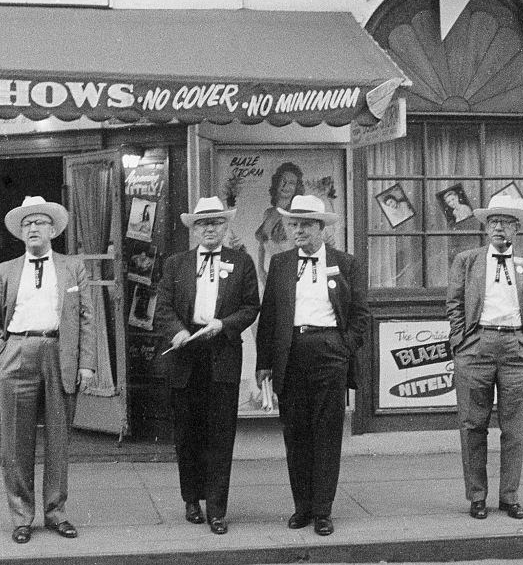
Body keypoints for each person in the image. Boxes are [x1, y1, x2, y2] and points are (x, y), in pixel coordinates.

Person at [0, 196, 96, 545]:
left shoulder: (73, 267)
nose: (33, 228)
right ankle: (21, 516)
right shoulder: (4, 271)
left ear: (52, 230)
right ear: (21, 232)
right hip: (17, 352)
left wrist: (87, 364)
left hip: (59, 351)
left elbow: (86, 319)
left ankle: (56, 512)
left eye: (40, 223)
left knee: (59, 439)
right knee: (16, 442)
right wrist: (3, 355)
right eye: (27, 224)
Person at [255, 195, 370, 536]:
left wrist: (343, 347)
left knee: (327, 432)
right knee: (295, 433)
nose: (298, 231)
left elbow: (360, 315)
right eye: (293, 224)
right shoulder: (281, 264)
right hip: (291, 352)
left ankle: (323, 510)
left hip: (329, 350)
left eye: (305, 224)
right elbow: (270, 316)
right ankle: (301, 507)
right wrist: (264, 363)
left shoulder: (346, 263)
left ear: (321, 227)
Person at [154, 196, 259, 535]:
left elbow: (250, 307)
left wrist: (224, 324)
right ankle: (191, 500)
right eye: (203, 223)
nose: (209, 228)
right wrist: (179, 332)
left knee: (219, 434)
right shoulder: (176, 264)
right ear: (194, 229)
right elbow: (164, 308)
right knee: (187, 432)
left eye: (216, 222)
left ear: (225, 227)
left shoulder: (241, 263)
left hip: (221, 355)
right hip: (186, 356)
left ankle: (216, 508)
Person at [447, 192, 523, 520]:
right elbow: (455, 303)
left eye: (506, 222)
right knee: (473, 424)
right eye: (493, 222)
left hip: (517, 348)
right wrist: (461, 342)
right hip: (477, 346)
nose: (499, 228)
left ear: (517, 229)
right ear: (485, 227)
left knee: (515, 428)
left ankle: (509, 496)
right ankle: (477, 496)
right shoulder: (467, 260)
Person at [255, 162, 303, 282]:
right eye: (283, 180)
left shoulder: (295, 215)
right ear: (277, 183)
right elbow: (262, 246)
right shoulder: (268, 213)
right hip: (268, 274)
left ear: (296, 188)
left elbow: (298, 249)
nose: (286, 185)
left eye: (291, 183)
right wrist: (260, 270)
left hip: (289, 275)